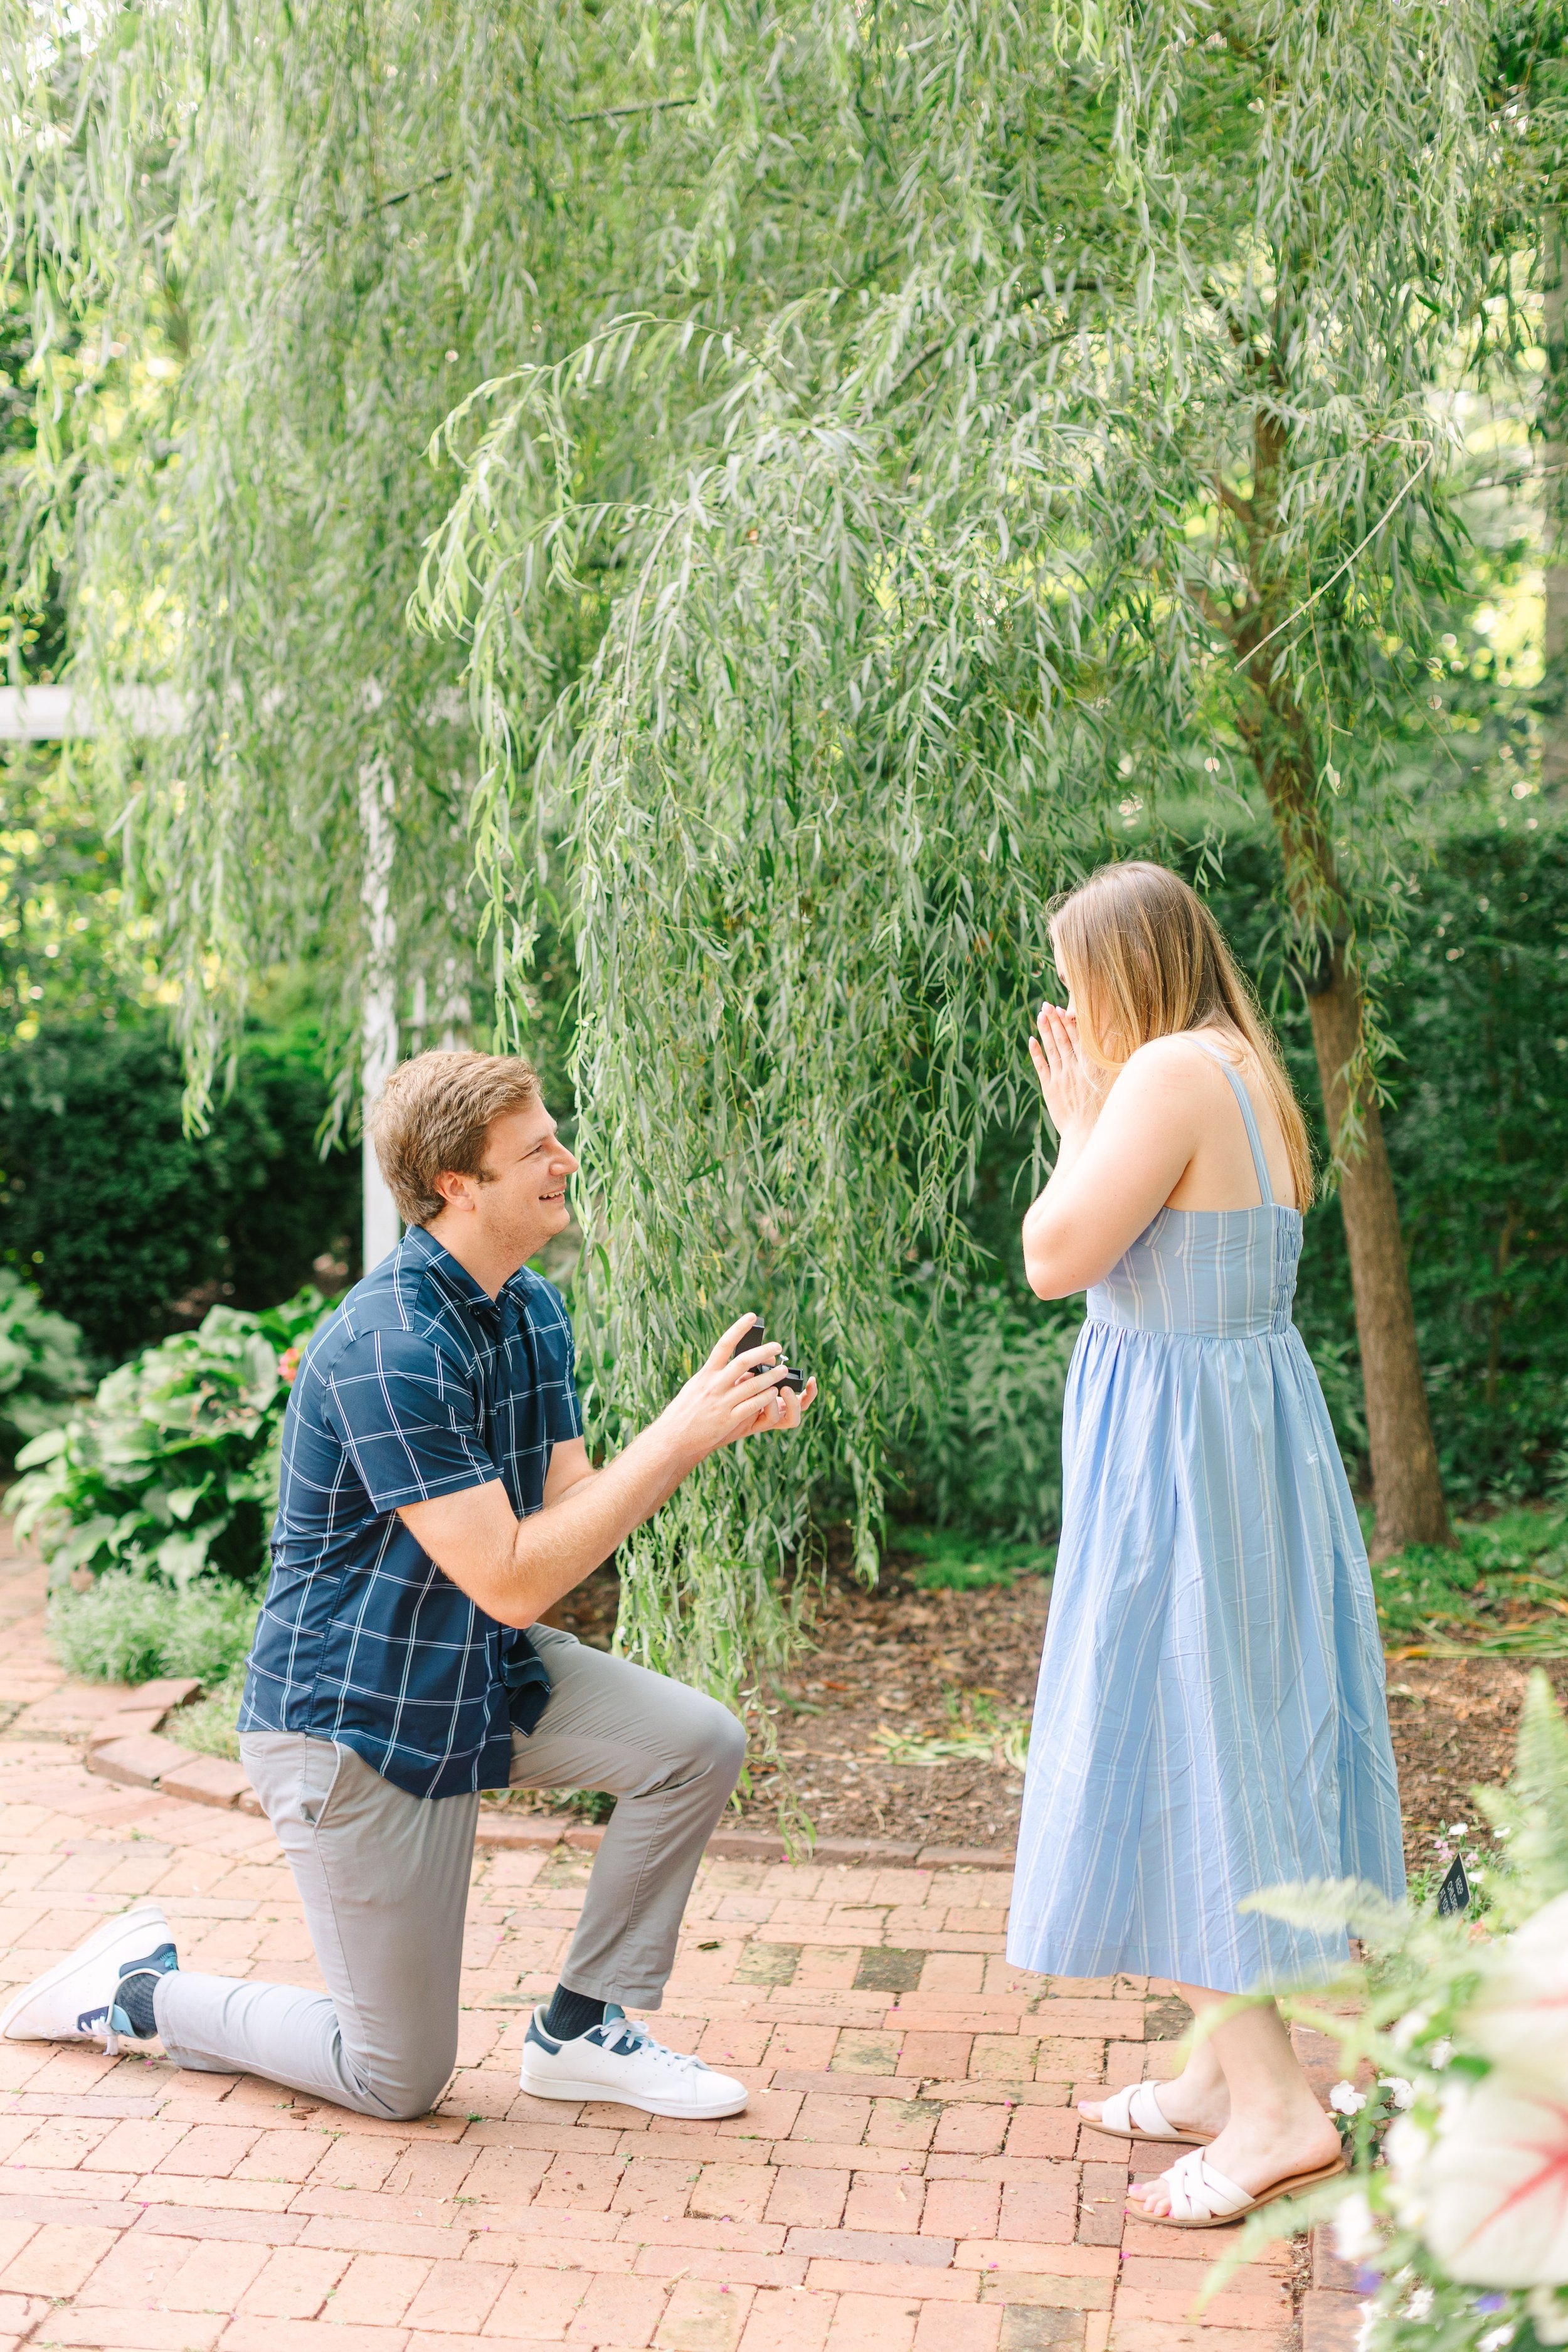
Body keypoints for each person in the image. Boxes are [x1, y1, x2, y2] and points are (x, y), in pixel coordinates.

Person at [2, 1049, 815, 2122]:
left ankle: (582, 2026)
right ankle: (140, 1991)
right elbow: (515, 1580)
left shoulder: (530, 1312)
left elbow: (568, 1516)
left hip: (474, 1671)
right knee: (396, 2076)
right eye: (535, 1149)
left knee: (693, 1744)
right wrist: (674, 1436)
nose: (566, 1160)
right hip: (353, 1721)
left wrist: (704, 1434)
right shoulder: (391, 1344)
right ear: (455, 1185)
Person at [1007, 861, 1404, 2229]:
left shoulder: (1169, 1070)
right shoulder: (1241, 1059)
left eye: (1075, 982)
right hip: (1231, 1438)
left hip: (1179, 1462)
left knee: (1177, 1751)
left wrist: (1072, 1123)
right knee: (1217, 1737)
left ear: (1125, 973)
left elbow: (1053, 1256)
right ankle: (1209, 2077)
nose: (1067, 1008)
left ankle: (1276, 2111)